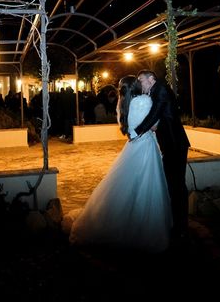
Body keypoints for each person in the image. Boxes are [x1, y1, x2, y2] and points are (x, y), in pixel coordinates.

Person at [69, 75, 172, 253]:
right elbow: (154, 126)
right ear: (135, 86)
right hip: (146, 146)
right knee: (146, 186)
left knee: (127, 185)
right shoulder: (144, 100)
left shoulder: (121, 103)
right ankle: (142, 226)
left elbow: (126, 126)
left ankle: (119, 221)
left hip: (132, 146)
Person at [134, 70, 191, 240]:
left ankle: (181, 226)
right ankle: (177, 222)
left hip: (175, 145)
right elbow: (162, 118)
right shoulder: (156, 91)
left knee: (177, 185)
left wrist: (136, 131)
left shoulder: (161, 90)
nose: (140, 84)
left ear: (151, 79)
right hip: (170, 145)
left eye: (141, 80)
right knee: (173, 184)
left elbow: (156, 113)